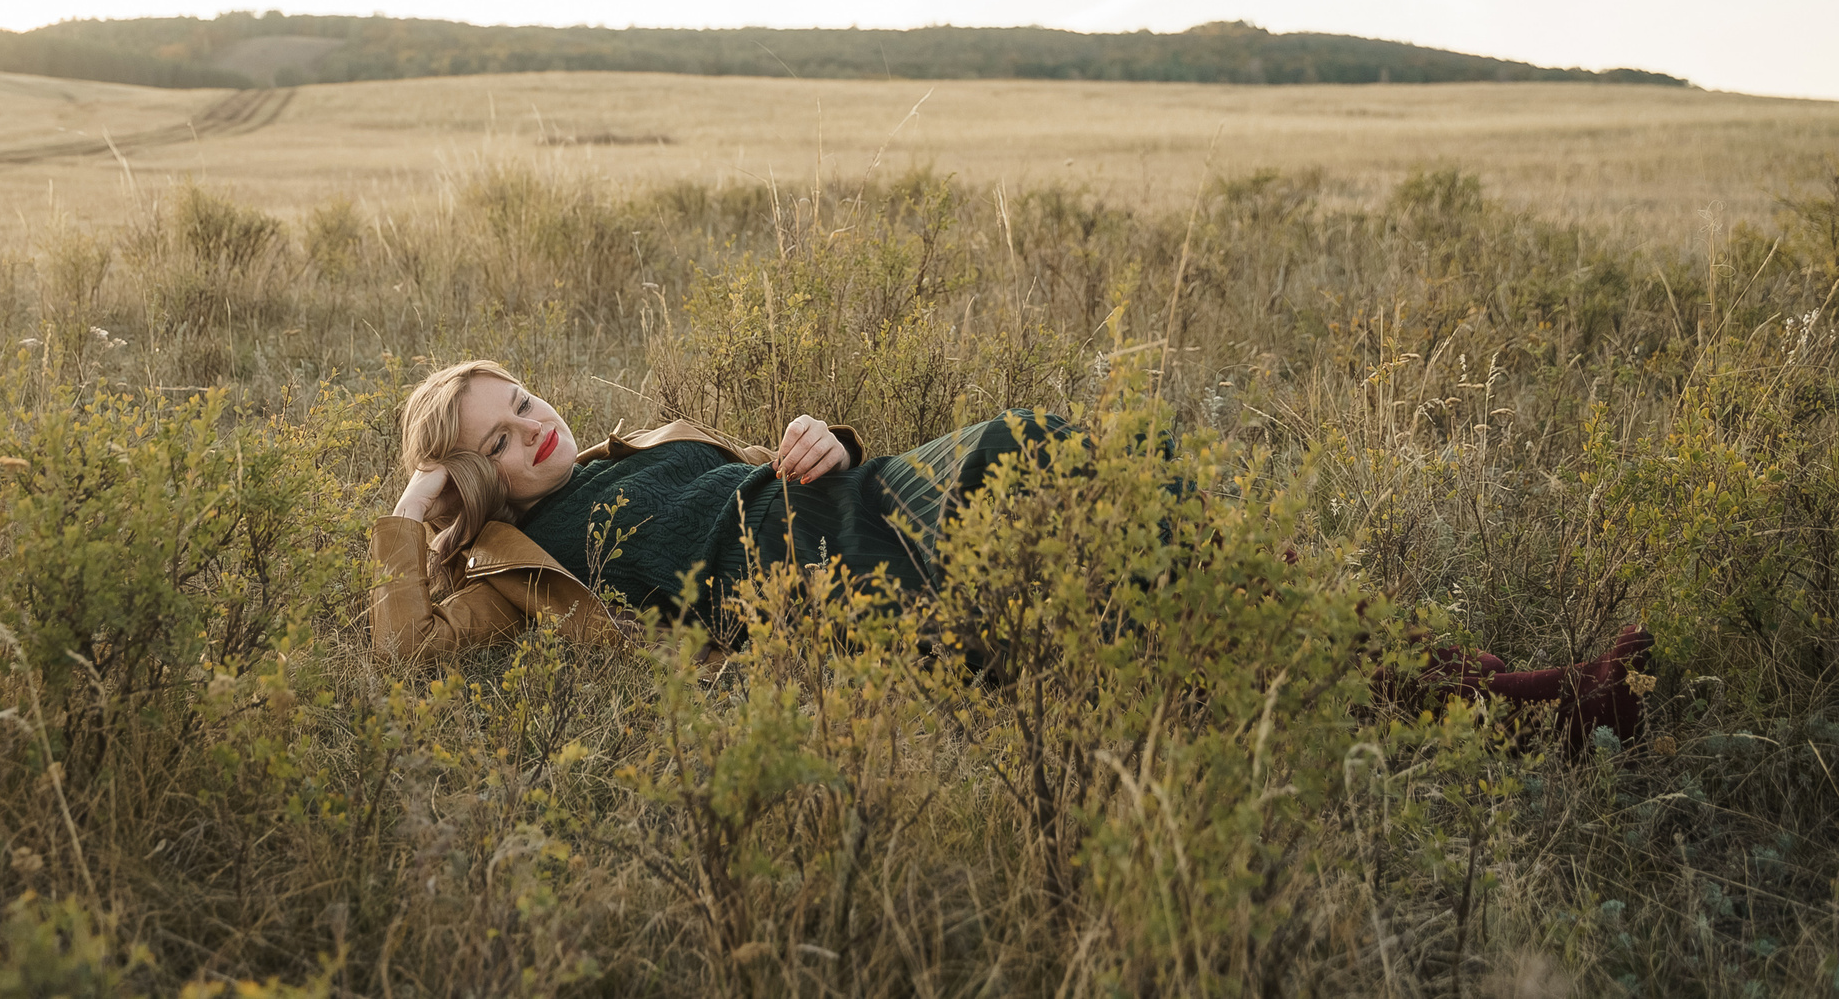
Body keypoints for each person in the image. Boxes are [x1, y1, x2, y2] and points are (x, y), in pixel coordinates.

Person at [369, 359, 1653, 747]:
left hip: (867, 507)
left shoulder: (638, 446)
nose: (533, 427)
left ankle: (1506, 695)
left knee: (1175, 568)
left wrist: (820, 433)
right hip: (843, 595)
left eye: (523, 401)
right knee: (1065, 476)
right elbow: (405, 650)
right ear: (471, 477)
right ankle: (1508, 700)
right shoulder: (508, 574)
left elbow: (772, 473)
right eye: (498, 437)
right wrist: (419, 504)